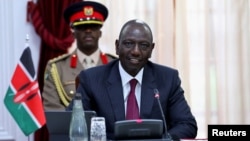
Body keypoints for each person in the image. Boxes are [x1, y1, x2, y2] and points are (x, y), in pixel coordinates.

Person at [68, 19, 198, 140]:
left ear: (151, 50)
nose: (136, 51)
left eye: (143, 45)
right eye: (129, 44)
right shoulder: (92, 79)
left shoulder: (167, 79)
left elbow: (187, 125)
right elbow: (71, 124)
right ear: (117, 46)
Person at [42, 1, 117, 111]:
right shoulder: (56, 68)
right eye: (82, 27)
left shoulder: (115, 65)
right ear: (73, 33)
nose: (88, 31)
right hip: (70, 127)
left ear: (100, 33)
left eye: (93, 26)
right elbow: (53, 110)